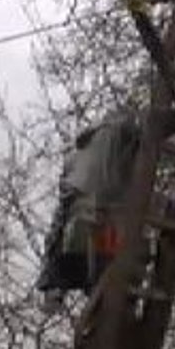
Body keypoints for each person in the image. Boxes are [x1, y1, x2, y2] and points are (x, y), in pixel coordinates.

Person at [38, 111, 140, 306]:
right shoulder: (120, 141)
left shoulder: (78, 157)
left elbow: (60, 217)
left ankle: (68, 287)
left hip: (91, 227)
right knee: (106, 263)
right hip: (107, 224)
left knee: (83, 251)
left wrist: (49, 280)